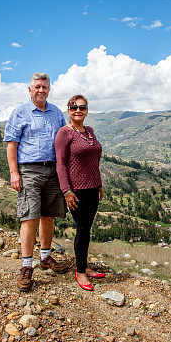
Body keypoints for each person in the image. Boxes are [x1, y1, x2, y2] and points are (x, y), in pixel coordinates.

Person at [4, 72, 71, 292]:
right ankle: (26, 267)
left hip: (52, 170)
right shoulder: (20, 112)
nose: (41, 90)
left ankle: (45, 257)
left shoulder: (56, 113)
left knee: (48, 216)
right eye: (37, 87)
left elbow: (64, 141)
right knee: (30, 217)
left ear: (49, 90)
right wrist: (14, 173)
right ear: (30, 89)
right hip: (29, 170)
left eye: (44, 87)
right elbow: (11, 144)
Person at [54, 94, 104, 291]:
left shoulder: (89, 131)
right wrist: (66, 191)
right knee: (82, 229)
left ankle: (83, 264)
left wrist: (99, 183)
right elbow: (60, 164)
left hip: (93, 188)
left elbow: (94, 160)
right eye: (73, 107)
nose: (78, 110)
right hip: (77, 191)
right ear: (68, 110)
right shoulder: (64, 133)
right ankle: (80, 272)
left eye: (82, 107)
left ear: (87, 110)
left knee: (87, 229)